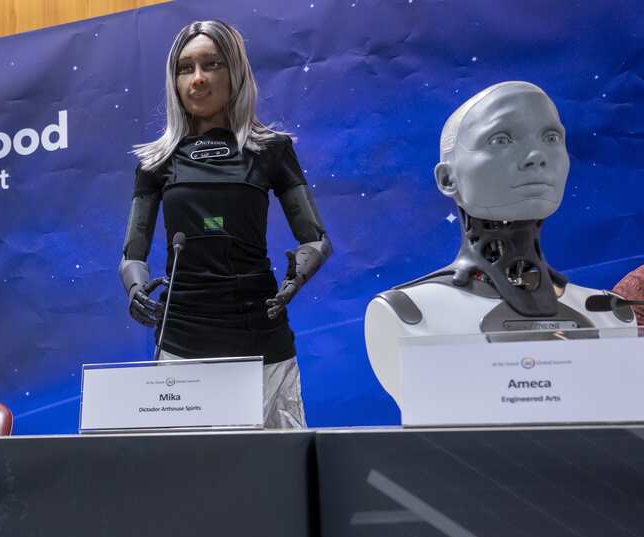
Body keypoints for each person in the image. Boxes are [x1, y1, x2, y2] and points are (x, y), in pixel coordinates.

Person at [364, 82, 637, 404]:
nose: (536, 157)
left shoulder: (612, 314)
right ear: (447, 179)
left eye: (551, 138)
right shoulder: (410, 315)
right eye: (501, 140)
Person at [120, 19, 332, 429]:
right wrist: (134, 288)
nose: (197, 79)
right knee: (190, 474)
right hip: (181, 338)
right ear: (174, 80)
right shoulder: (155, 162)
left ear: (234, 71)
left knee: (274, 471)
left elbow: (316, 239)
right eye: (185, 68)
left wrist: (297, 278)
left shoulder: (271, 151)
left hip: (260, 333)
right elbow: (132, 252)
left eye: (211, 64)